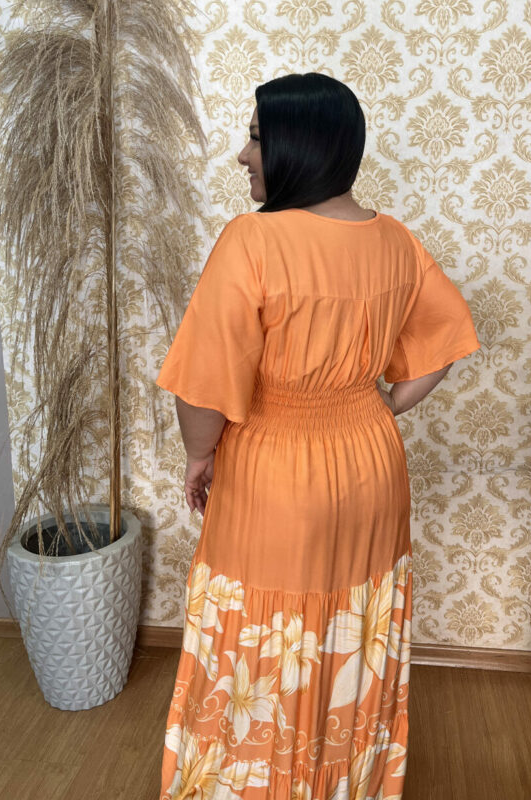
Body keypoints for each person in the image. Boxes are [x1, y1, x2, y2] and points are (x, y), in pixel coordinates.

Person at [154, 72, 481, 800]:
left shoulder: (252, 240)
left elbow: (203, 387)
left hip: (274, 463)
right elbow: (446, 342)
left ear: (298, 144)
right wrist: (378, 404)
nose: (244, 155)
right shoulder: (394, 240)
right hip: (371, 462)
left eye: (256, 138)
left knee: (263, 634)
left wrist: (199, 456)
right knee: (351, 626)